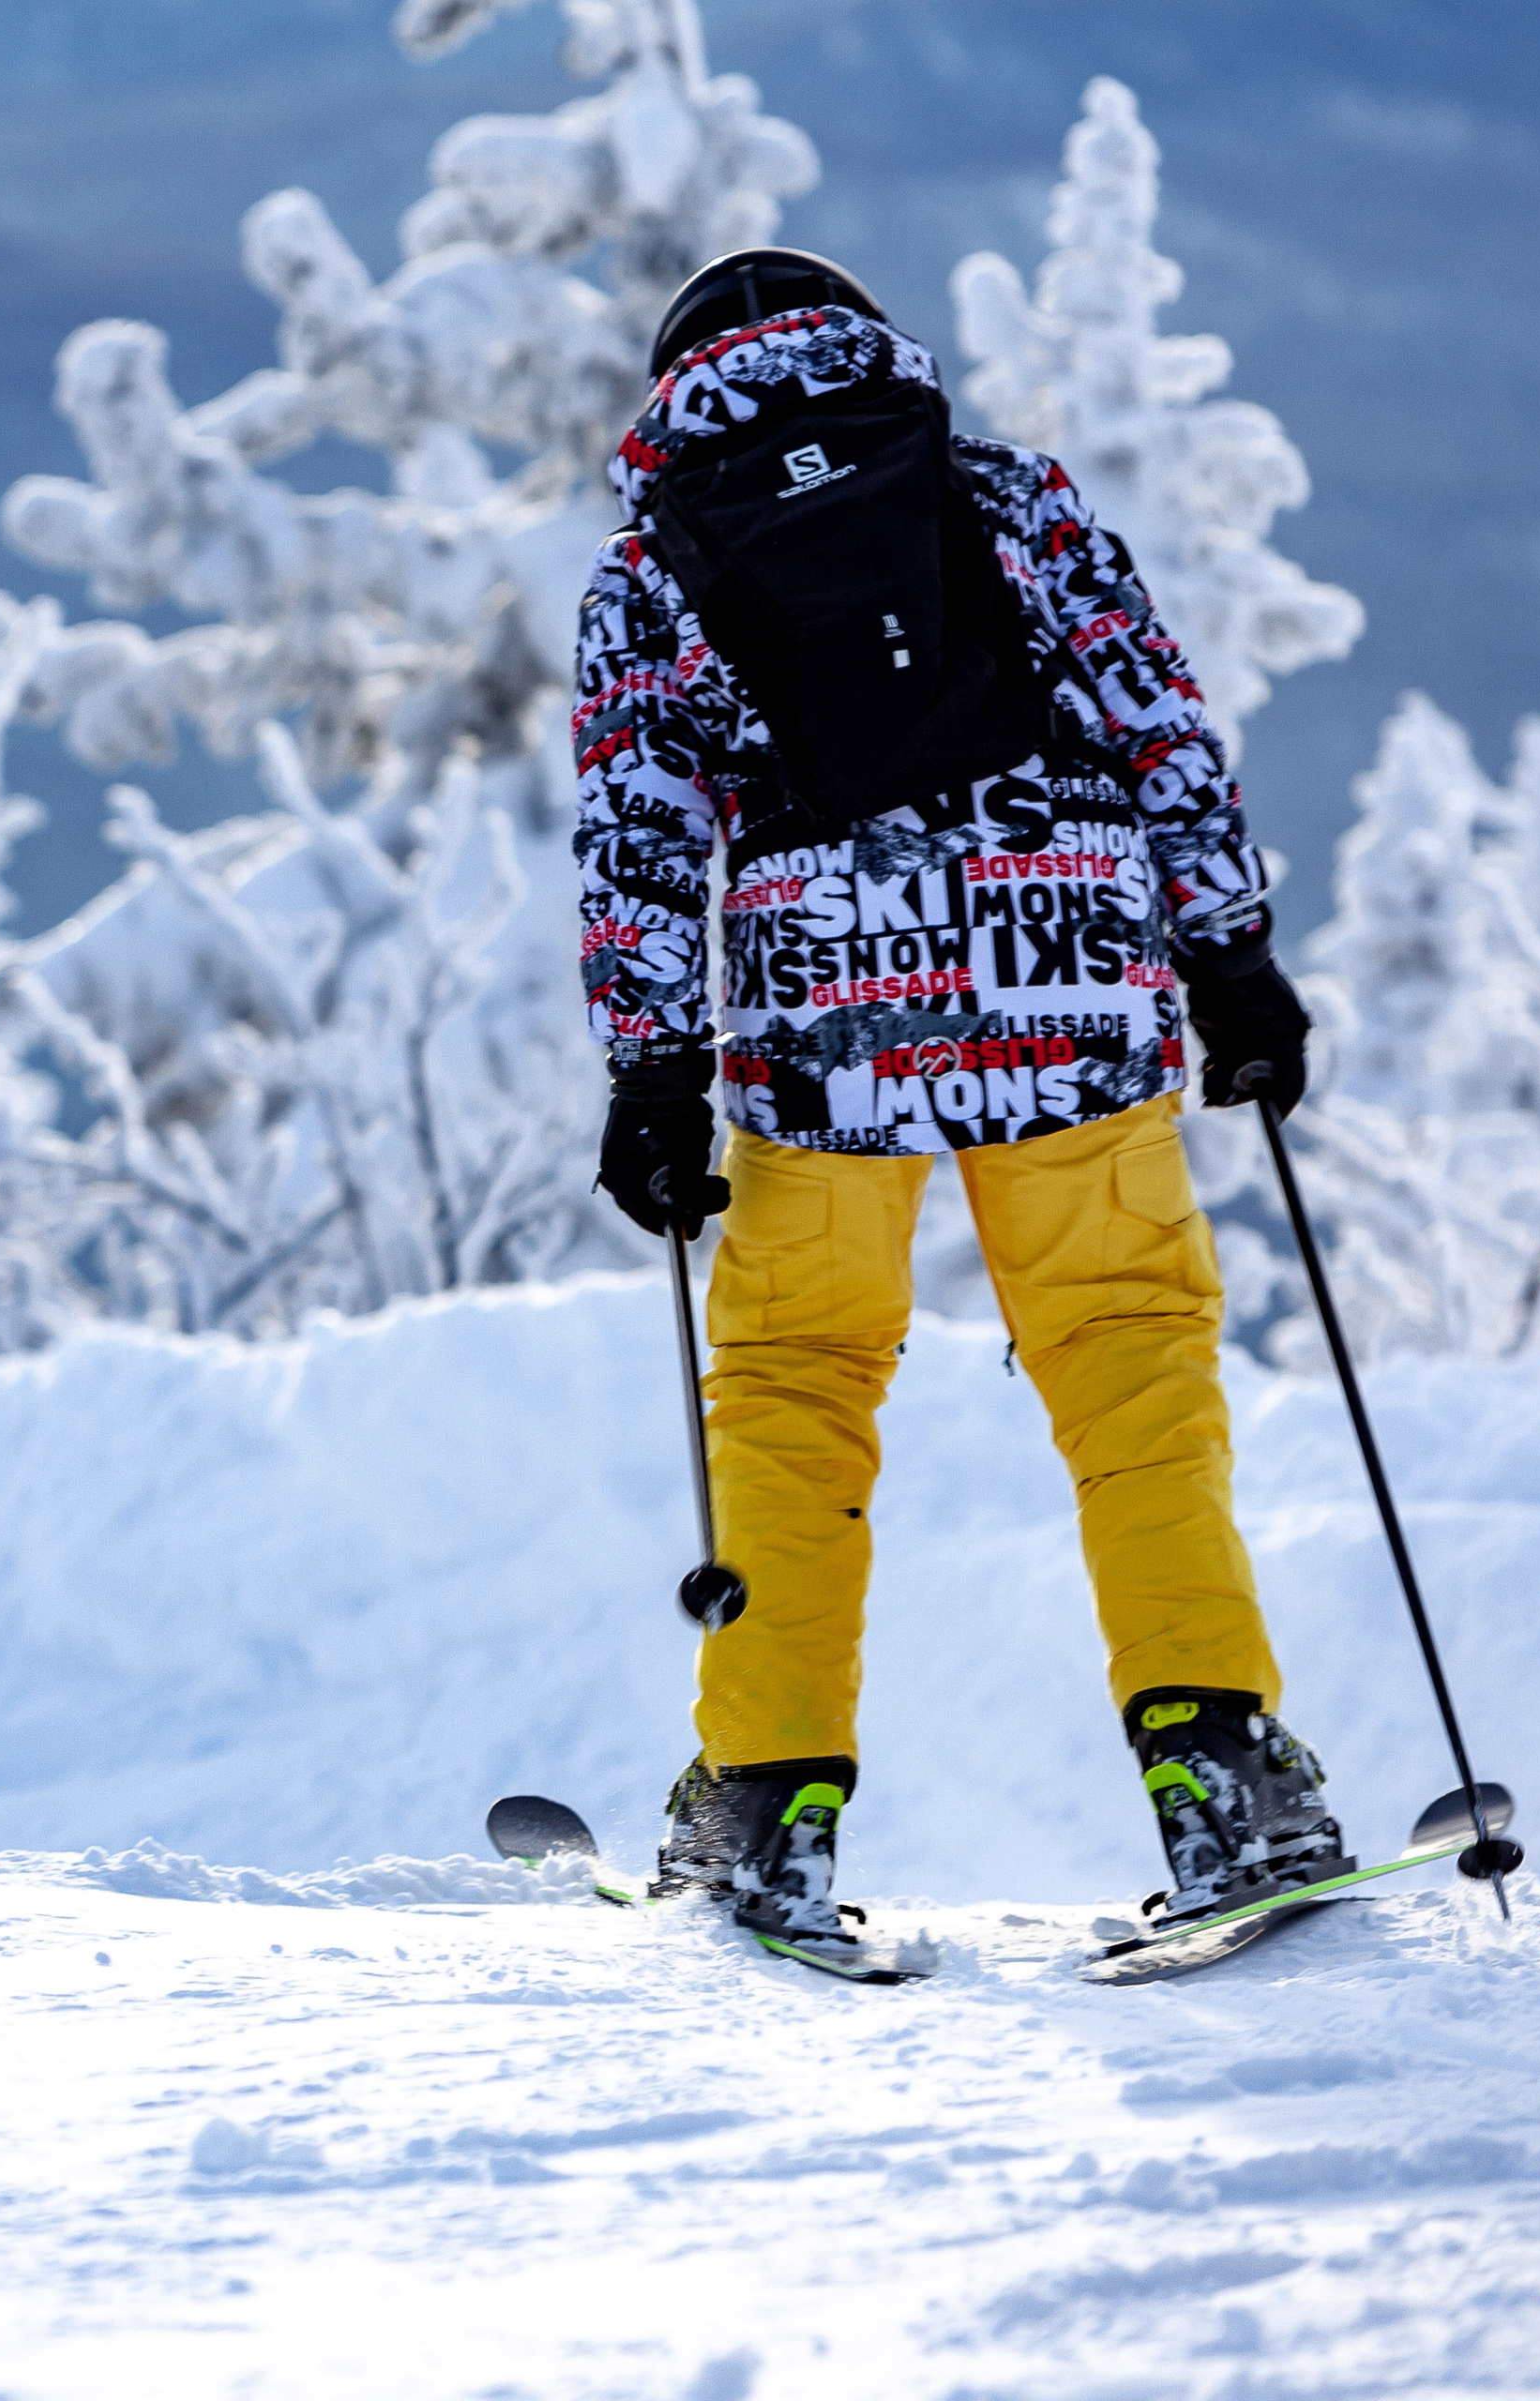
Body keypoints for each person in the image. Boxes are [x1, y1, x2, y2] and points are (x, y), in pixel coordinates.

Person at [573, 248, 1346, 1942]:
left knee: (791, 1391)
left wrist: (653, 1070)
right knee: (1132, 1368)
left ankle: (765, 1811)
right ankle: (1224, 1778)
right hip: (1068, 986)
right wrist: (1232, 956)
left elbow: (639, 835)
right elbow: (1159, 721)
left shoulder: (655, 563)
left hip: (821, 1032)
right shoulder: (996, 490)